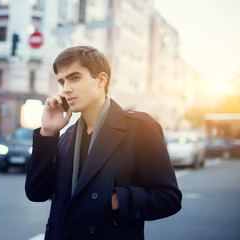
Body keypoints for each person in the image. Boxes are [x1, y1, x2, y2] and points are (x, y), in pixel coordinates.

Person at [25, 46, 182, 240]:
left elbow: (169, 198)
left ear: (101, 80)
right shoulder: (66, 137)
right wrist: (47, 132)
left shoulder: (139, 128)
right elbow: (36, 192)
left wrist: (117, 200)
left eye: (75, 78)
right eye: (62, 81)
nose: (66, 88)